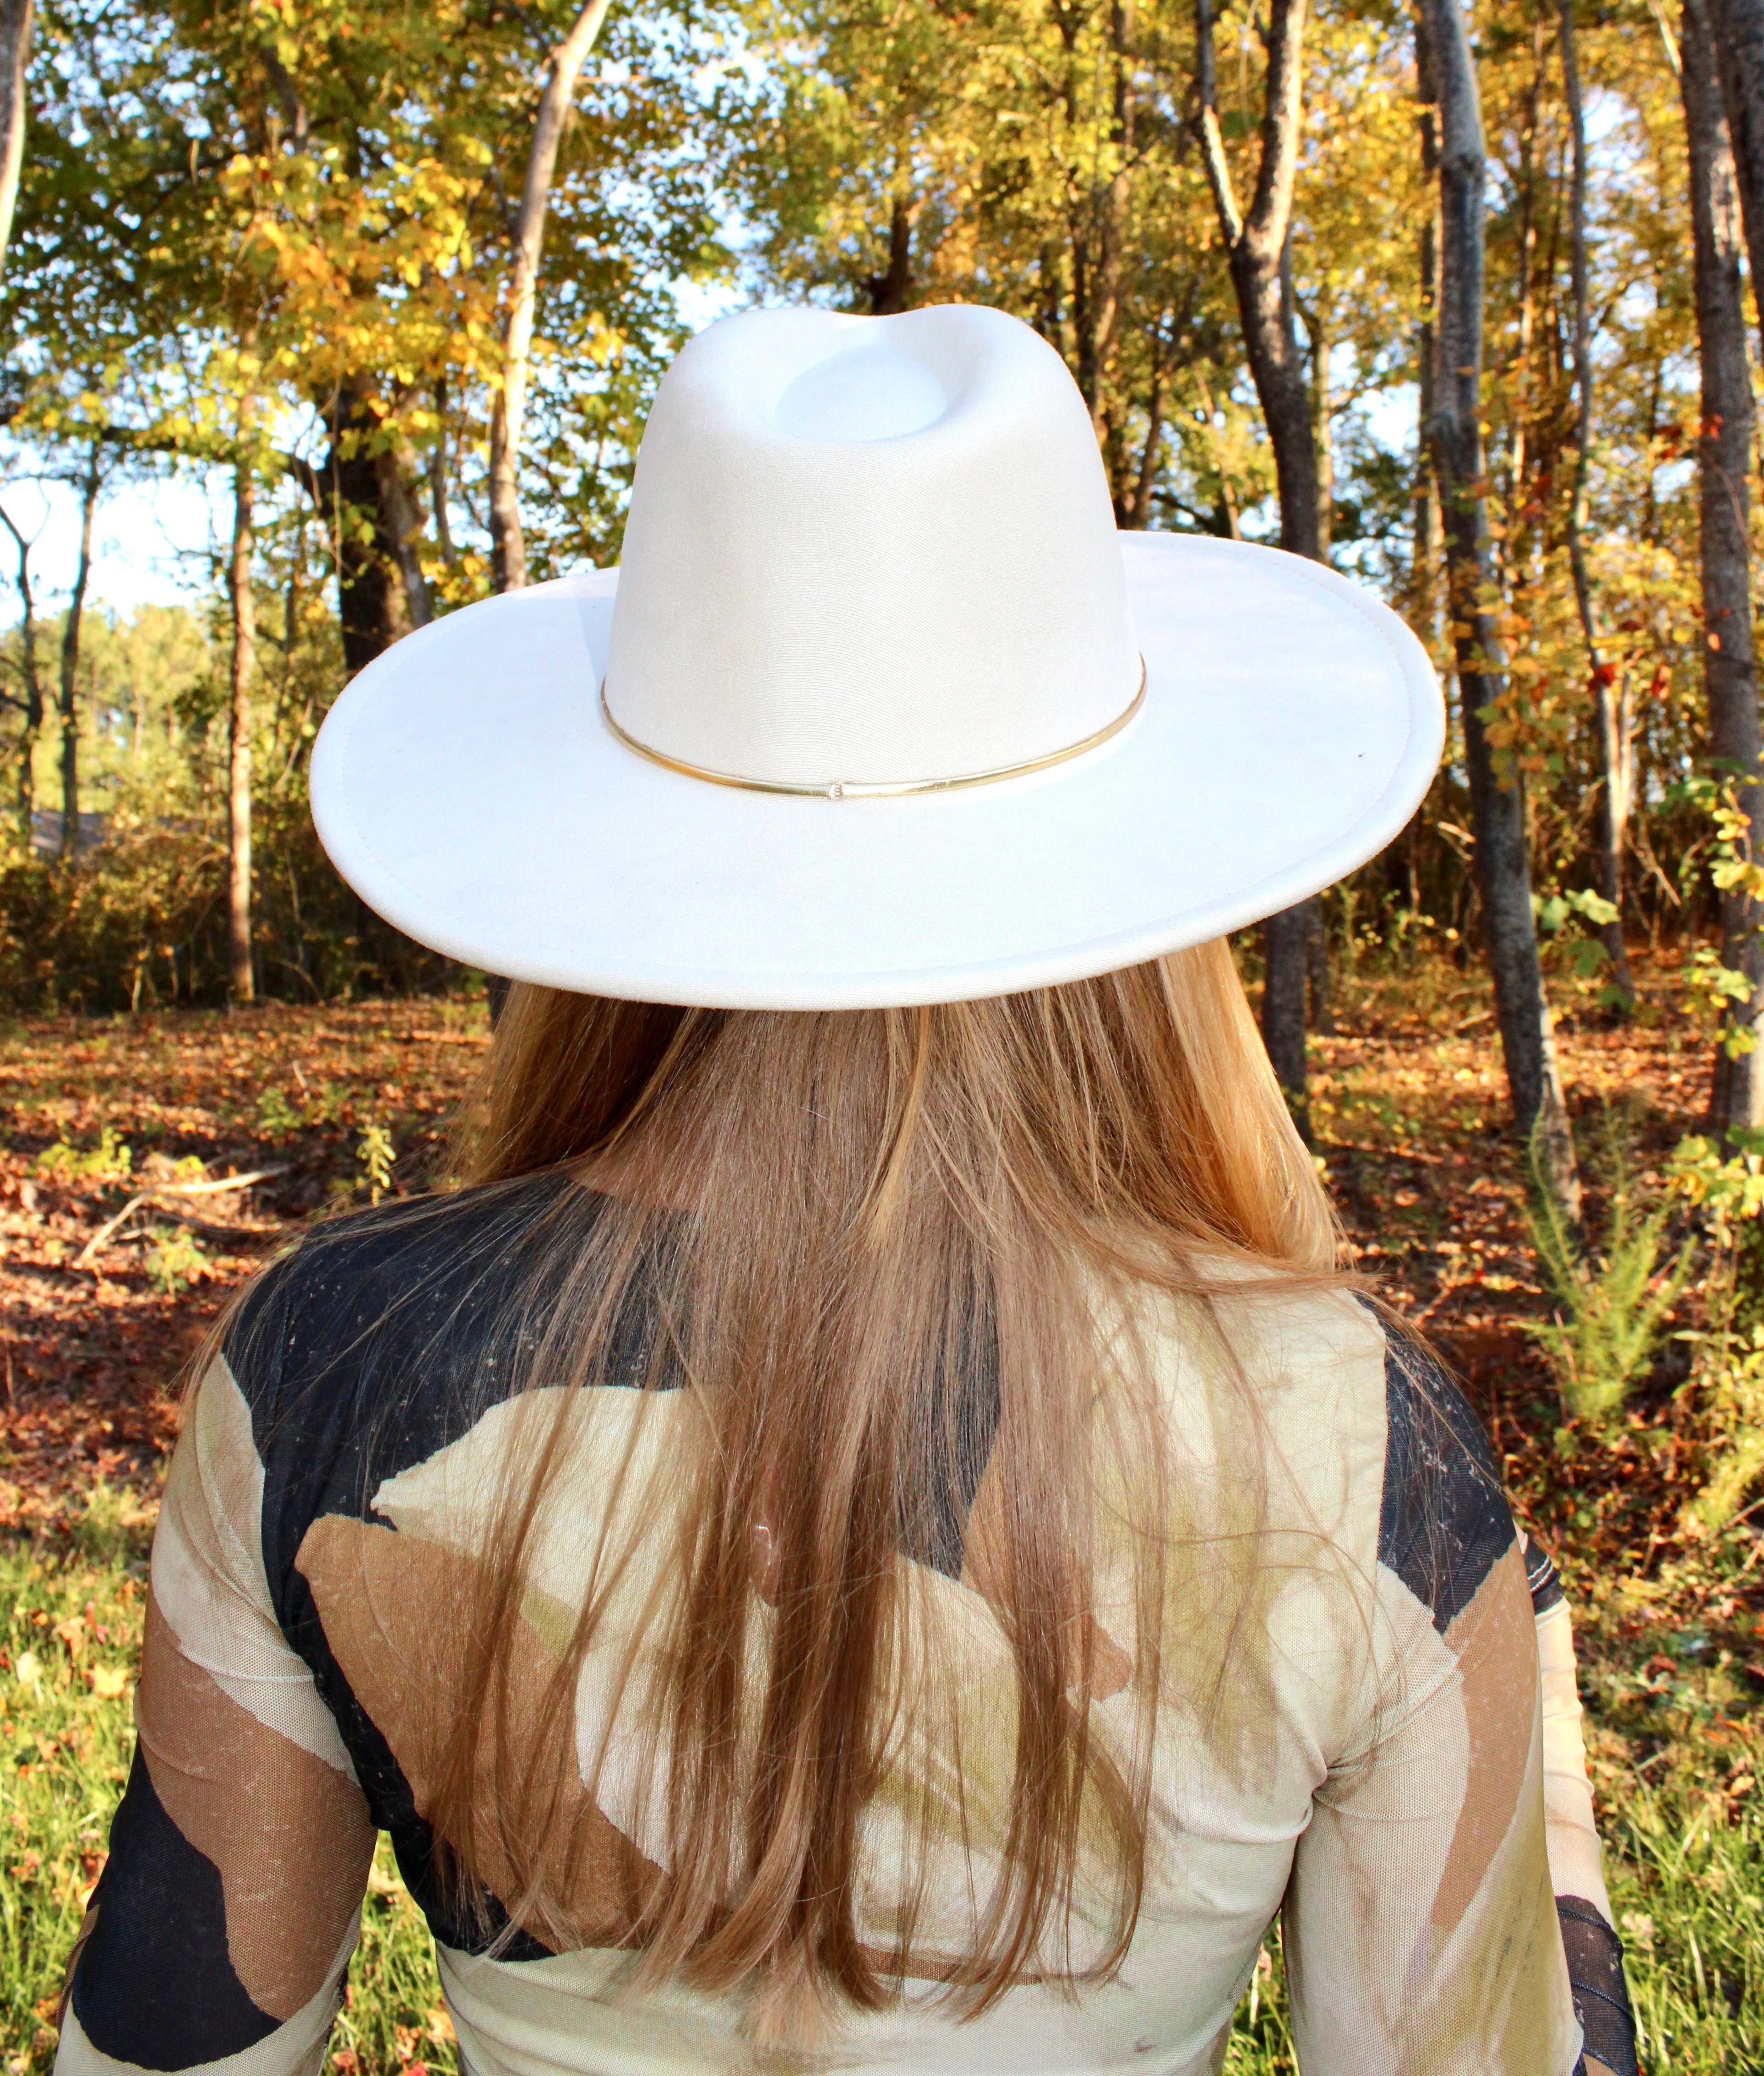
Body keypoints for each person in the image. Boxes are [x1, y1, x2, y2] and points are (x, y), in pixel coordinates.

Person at [57, 304, 1637, 2076]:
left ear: (613, 836)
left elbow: (172, 2044)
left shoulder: (333, 1363)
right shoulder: (1357, 1435)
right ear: (1148, 885)